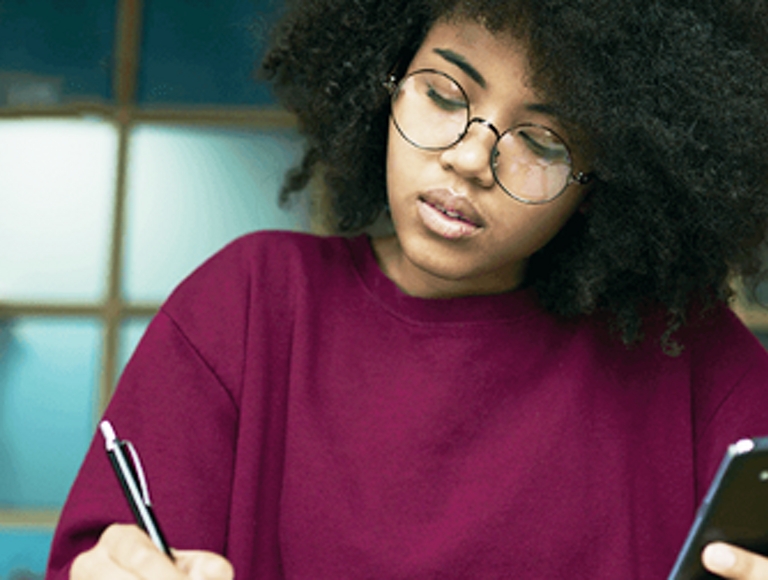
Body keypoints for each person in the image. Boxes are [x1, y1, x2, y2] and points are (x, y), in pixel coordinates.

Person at [45, 0, 768, 578]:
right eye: (444, 94)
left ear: (604, 180)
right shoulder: (248, 305)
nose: (471, 158)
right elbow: (104, 554)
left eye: (544, 141)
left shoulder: (697, 361)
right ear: (383, 78)